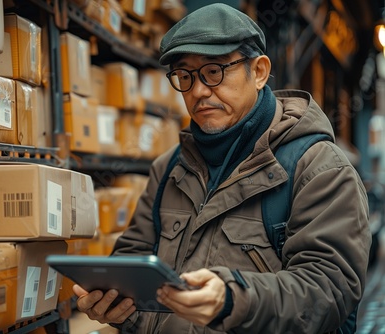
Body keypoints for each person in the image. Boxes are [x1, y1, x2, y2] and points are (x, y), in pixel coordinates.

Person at [72, 3, 371, 333]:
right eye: (184, 76)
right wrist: (118, 303)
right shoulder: (168, 168)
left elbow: (327, 293)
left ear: (258, 72)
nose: (198, 90)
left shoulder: (318, 169)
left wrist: (233, 300)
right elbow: (135, 256)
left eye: (213, 71)